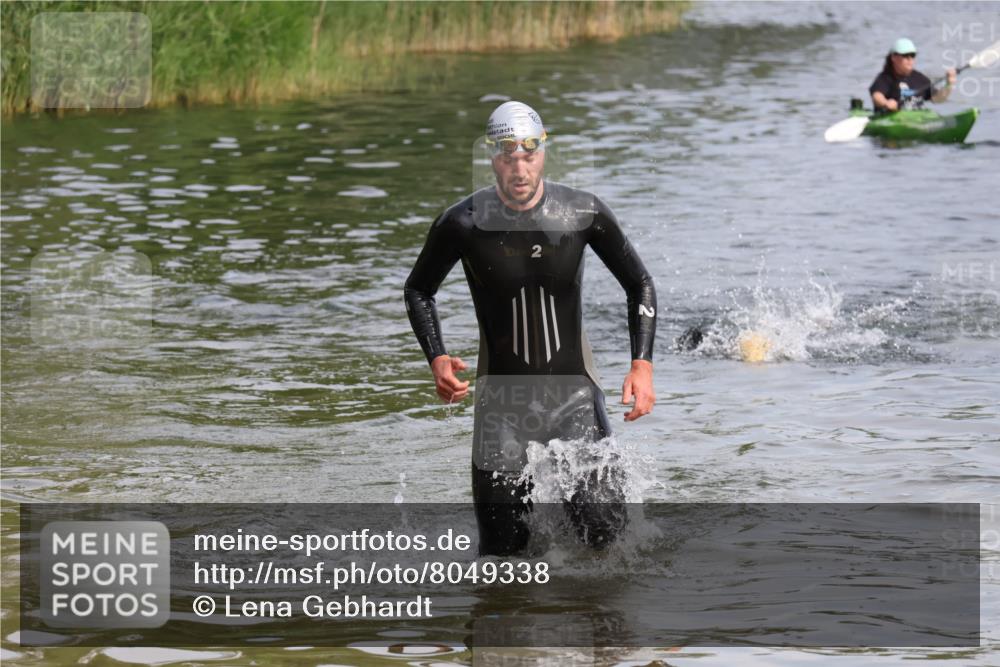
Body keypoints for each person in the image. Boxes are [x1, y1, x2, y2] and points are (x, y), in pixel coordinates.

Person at [403, 101, 657, 556]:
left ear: (544, 151)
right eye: (506, 155)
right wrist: (437, 357)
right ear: (491, 156)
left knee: (609, 543)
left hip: (575, 398)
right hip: (502, 408)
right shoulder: (461, 223)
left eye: (528, 153)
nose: (518, 168)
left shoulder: (582, 212)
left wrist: (642, 364)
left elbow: (639, 283)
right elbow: (419, 290)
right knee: (502, 556)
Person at [869, 37, 956, 112]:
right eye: (905, 55)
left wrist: (949, 84)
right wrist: (886, 103)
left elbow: (937, 99)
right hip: (892, 118)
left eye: (912, 55)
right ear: (894, 58)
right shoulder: (885, 78)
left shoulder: (919, 78)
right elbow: (877, 96)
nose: (910, 59)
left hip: (916, 119)